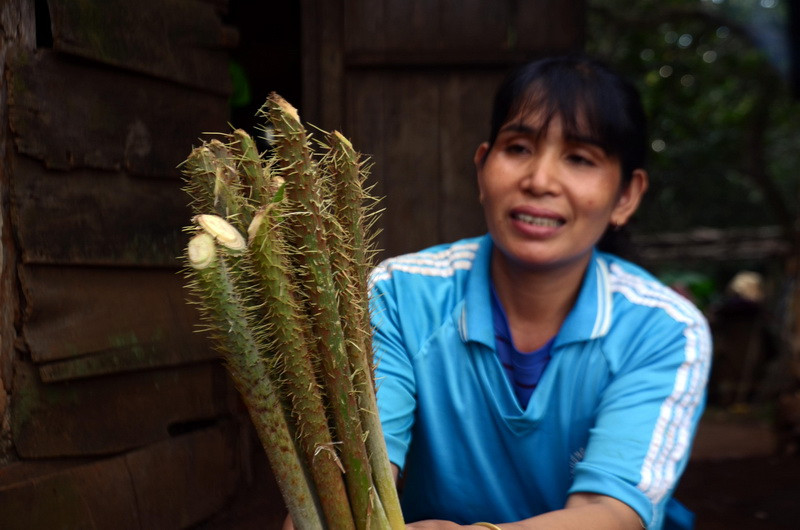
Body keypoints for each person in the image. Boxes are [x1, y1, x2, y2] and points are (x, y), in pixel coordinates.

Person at [369, 55, 712, 529]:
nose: (539, 181)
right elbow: (350, 485)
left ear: (626, 197)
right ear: (482, 168)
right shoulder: (400, 297)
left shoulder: (663, 329)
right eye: (518, 148)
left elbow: (609, 513)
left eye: (579, 158)